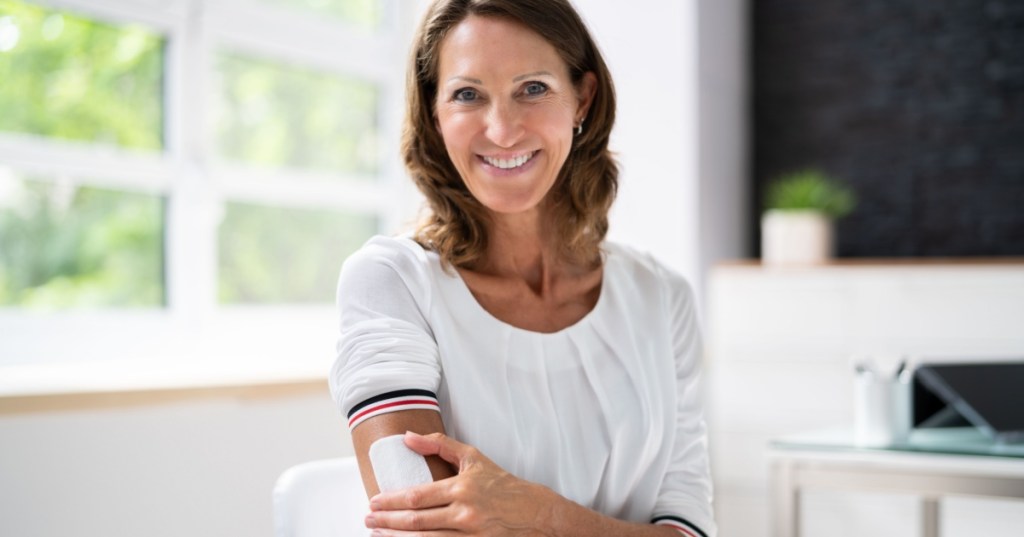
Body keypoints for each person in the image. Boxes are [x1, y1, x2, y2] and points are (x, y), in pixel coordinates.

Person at [329, 0, 716, 535]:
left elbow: (690, 530)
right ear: (435, 112)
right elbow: (422, 526)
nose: (503, 130)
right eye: (468, 94)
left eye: (533, 88)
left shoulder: (662, 297)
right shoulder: (392, 282)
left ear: (582, 99)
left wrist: (540, 515)